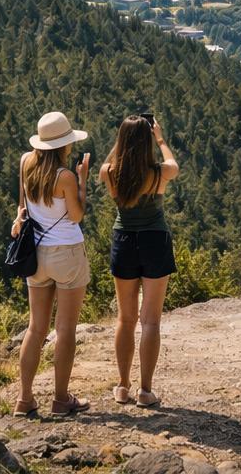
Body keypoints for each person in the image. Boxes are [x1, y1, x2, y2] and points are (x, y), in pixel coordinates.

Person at [12, 111, 93, 417]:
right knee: (65, 329)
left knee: (36, 328)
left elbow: (22, 206)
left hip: (36, 255)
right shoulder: (65, 176)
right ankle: (60, 400)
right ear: (63, 145)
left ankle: (25, 399)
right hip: (67, 254)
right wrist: (82, 182)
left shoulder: (25, 162)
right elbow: (76, 215)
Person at [99, 115, 179, 407]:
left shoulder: (108, 171)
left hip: (123, 241)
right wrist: (159, 138)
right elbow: (174, 164)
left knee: (126, 319)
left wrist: (123, 144)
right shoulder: (160, 172)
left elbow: (116, 165)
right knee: (150, 321)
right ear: (147, 141)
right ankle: (145, 391)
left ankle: (122, 387)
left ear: (121, 141)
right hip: (154, 241)